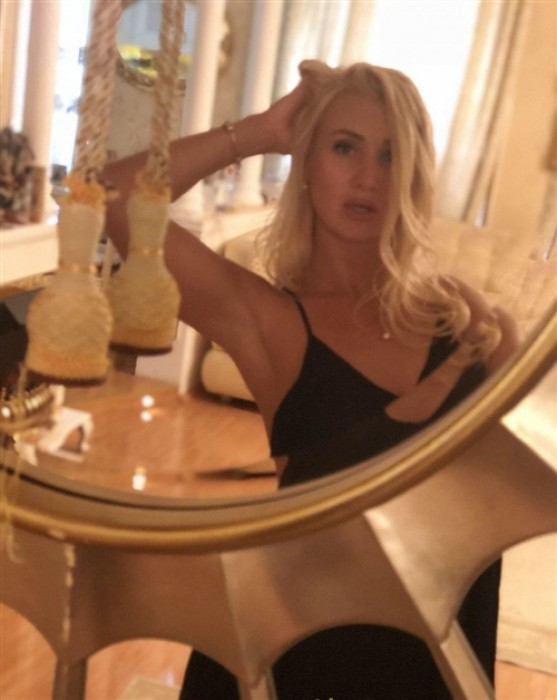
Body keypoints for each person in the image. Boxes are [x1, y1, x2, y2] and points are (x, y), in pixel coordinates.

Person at [105, 60, 519, 699]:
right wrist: (258, 132)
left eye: (390, 155)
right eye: (344, 147)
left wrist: (504, 362)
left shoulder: (456, 316)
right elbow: (114, 197)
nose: (368, 176)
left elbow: (506, 485)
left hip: (441, 638)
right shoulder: (269, 322)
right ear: (307, 161)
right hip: (313, 646)